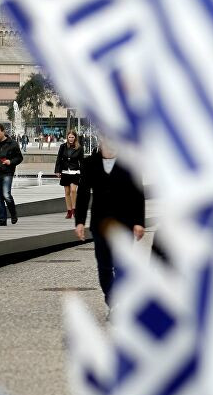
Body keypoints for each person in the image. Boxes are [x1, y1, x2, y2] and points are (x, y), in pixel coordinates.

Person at [74, 140, 145, 307]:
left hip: (125, 222)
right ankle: (111, 299)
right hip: (100, 223)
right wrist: (79, 222)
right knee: (104, 265)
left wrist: (139, 222)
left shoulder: (129, 162)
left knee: (122, 264)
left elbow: (137, 193)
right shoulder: (90, 163)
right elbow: (83, 193)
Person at [55, 130, 84, 219]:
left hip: (75, 172)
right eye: (69, 137)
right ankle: (69, 211)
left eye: (72, 137)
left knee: (73, 190)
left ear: (75, 138)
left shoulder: (79, 148)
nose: (71, 139)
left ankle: (75, 209)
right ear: (67, 137)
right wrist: (57, 171)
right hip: (65, 172)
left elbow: (82, 161)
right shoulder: (63, 147)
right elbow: (59, 159)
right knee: (67, 192)